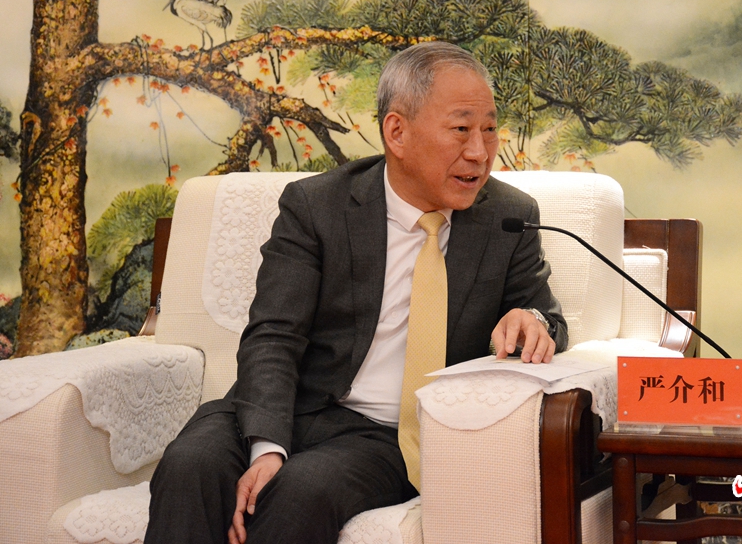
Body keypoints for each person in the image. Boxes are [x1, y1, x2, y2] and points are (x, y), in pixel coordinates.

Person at [144, 42, 567, 544]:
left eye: (490, 129)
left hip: (382, 435)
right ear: (397, 132)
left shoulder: (508, 217)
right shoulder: (317, 206)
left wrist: (533, 320)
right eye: (461, 129)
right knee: (189, 465)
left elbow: (547, 316)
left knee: (301, 491)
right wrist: (268, 448)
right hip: (287, 406)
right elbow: (274, 334)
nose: (479, 151)